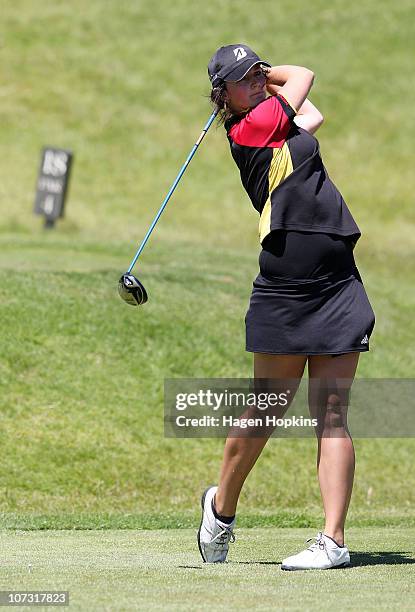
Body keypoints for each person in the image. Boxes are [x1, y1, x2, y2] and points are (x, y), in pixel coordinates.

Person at [197, 44, 376, 570]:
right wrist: (268, 76)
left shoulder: (282, 129)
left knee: (332, 412)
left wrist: (253, 78)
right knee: (269, 406)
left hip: (337, 281)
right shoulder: (248, 131)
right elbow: (304, 75)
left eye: (258, 73)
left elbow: (312, 115)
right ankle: (221, 508)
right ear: (223, 97)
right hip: (286, 288)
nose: (256, 81)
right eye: (244, 78)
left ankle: (333, 541)